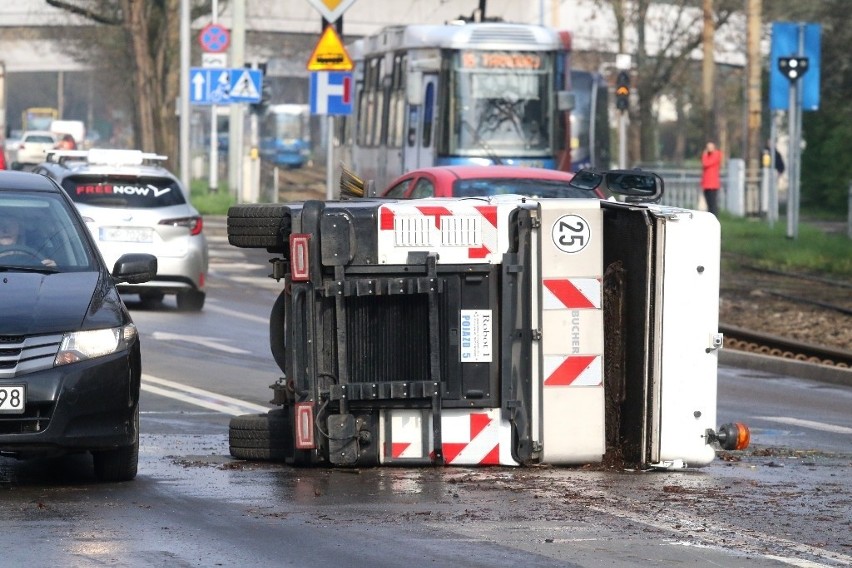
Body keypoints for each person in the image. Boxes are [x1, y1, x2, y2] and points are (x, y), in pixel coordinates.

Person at [701, 141, 722, 216]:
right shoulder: (708, 155)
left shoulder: (716, 154)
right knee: (709, 204)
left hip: (712, 185)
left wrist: (704, 155)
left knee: (713, 204)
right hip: (706, 184)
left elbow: (706, 163)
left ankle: (715, 217)